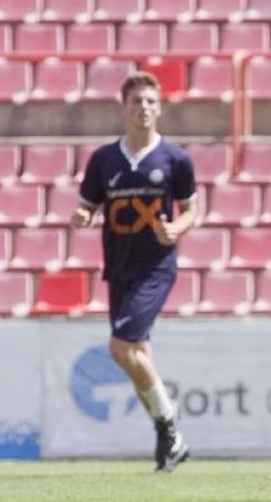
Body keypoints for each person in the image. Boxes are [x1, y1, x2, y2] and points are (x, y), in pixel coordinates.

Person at [71, 72, 197, 473]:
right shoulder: (104, 159)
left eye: (149, 101)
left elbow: (192, 209)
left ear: (159, 108)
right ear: (124, 108)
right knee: (138, 355)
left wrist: (177, 228)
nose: (142, 107)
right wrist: (82, 214)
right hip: (119, 268)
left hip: (155, 267)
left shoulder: (175, 158)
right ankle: (169, 441)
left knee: (120, 349)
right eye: (135, 101)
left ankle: (169, 423)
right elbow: (89, 204)